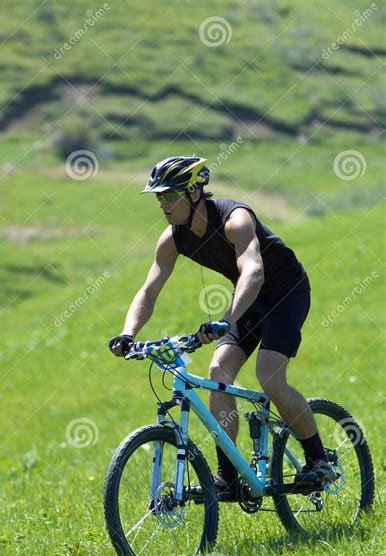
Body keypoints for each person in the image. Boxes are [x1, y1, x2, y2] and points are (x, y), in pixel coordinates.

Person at [109, 155, 336, 496]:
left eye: (171, 196)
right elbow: (149, 290)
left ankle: (319, 459)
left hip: (285, 292)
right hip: (247, 299)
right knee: (218, 372)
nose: (164, 205)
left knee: (270, 376)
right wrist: (128, 334)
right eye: (159, 198)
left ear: (195, 192)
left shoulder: (235, 219)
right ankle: (227, 475)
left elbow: (254, 273)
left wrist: (225, 320)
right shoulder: (173, 238)